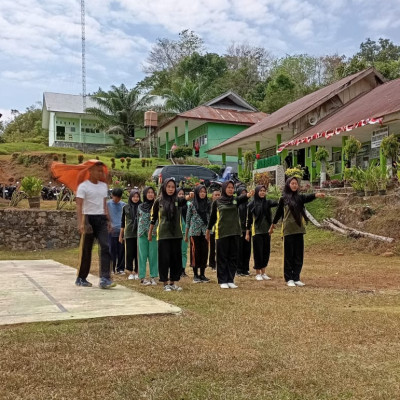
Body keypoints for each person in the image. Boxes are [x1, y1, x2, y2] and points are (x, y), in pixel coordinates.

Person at [269, 177, 325, 287]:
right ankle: (289, 278)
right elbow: (278, 213)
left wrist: (316, 195)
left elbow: (307, 197)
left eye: (296, 184)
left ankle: (296, 277)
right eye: (292, 183)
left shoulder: (299, 197)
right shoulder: (283, 198)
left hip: (299, 230)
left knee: (299, 255)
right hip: (288, 230)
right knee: (289, 255)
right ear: (288, 185)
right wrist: (272, 225)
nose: (294, 185)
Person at [206, 181, 254, 289]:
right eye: (228, 187)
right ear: (224, 188)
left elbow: (243, 198)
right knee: (222, 257)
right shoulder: (217, 202)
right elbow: (213, 218)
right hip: (222, 233)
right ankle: (222, 280)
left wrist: (248, 194)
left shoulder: (235, 200)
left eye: (232, 188)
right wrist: (208, 230)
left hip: (235, 232)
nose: (230, 189)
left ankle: (230, 279)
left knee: (233, 257)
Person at [148, 178, 193, 291]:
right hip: (163, 235)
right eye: (168, 187)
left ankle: (172, 282)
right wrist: (150, 232)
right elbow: (153, 218)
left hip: (176, 235)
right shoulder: (159, 201)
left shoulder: (177, 200)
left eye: (173, 187)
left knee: (175, 260)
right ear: (164, 187)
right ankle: (165, 283)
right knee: (164, 259)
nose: (171, 189)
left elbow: (184, 200)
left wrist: (190, 195)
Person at [75, 161, 115, 289]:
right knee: (87, 250)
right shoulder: (83, 186)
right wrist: (81, 223)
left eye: (101, 171)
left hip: (101, 219)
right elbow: (79, 205)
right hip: (88, 218)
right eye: (98, 170)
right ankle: (81, 278)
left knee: (106, 246)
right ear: (90, 171)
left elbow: (104, 204)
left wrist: (108, 220)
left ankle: (105, 278)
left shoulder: (103, 186)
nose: (100, 173)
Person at [246, 185, 278, 281]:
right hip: (257, 232)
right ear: (256, 192)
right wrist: (247, 233)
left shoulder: (268, 203)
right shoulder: (251, 205)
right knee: (258, 252)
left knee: (265, 252)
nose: (262, 192)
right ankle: (258, 272)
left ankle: (264, 272)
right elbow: (249, 220)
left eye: (264, 191)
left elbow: (276, 203)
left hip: (267, 231)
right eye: (260, 191)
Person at [185, 184, 211, 283]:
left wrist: (209, 231)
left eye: (204, 192)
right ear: (197, 193)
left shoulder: (208, 204)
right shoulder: (191, 204)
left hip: (205, 232)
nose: (202, 194)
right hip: (194, 232)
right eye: (200, 192)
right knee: (195, 253)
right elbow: (188, 220)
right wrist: (186, 235)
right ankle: (195, 275)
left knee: (204, 252)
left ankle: (202, 274)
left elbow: (210, 219)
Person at [137, 186, 158, 286]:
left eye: (152, 192)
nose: (150, 194)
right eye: (148, 192)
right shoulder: (140, 206)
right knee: (142, 255)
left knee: (153, 255)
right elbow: (138, 220)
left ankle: (153, 277)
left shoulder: (157, 205)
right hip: (142, 234)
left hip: (154, 233)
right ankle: (142, 277)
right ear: (145, 194)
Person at [120, 189, 141, 280]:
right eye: (134, 196)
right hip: (129, 233)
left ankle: (137, 271)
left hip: (139, 232)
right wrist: (121, 235)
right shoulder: (125, 207)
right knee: (129, 253)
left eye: (137, 197)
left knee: (138, 253)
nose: (135, 198)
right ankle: (130, 271)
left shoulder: (142, 207)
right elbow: (122, 222)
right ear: (130, 197)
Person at [107, 188, 125, 274]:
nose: (117, 199)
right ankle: (111, 268)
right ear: (112, 196)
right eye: (115, 197)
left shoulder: (124, 205)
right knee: (111, 250)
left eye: (118, 198)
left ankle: (120, 268)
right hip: (111, 231)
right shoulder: (107, 204)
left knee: (121, 251)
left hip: (121, 231)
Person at [237, 186, 251, 277]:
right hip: (239, 231)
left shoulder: (249, 205)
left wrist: (248, 231)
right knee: (239, 251)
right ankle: (238, 269)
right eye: (242, 193)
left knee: (247, 250)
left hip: (248, 230)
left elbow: (250, 218)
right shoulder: (236, 204)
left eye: (245, 193)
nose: (244, 195)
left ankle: (245, 269)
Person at [177, 187, 189, 277]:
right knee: (176, 251)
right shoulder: (175, 205)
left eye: (182, 194)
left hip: (185, 231)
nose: (181, 196)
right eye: (179, 194)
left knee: (183, 251)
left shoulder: (188, 204)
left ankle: (182, 269)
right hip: (176, 232)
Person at [208, 189, 221, 271]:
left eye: (218, 195)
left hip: (220, 229)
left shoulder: (222, 205)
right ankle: (212, 264)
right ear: (212, 197)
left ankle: (218, 263)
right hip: (212, 229)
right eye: (215, 195)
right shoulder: (210, 205)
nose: (217, 196)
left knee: (219, 248)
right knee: (213, 247)